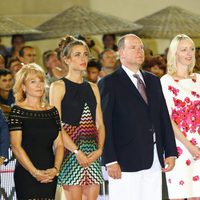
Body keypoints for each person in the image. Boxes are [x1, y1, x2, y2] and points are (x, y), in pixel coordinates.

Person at [98, 34, 177, 200]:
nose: (139, 51)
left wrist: (170, 151)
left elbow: (163, 117)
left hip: (154, 157)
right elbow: (104, 124)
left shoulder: (153, 80)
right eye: (133, 47)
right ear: (121, 53)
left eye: (141, 47)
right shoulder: (109, 83)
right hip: (124, 160)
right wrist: (110, 160)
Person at [50, 35, 105, 200]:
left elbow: (100, 124)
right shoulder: (58, 86)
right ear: (66, 60)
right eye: (77, 54)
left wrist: (100, 150)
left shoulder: (93, 88)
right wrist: (76, 151)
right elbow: (56, 125)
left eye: (85, 54)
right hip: (69, 152)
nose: (83, 58)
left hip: (92, 152)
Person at [8, 63, 64, 199]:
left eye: (41, 81)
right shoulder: (17, 111)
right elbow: (15, 146)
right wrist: (34, 172)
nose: (39, 85)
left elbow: (59, 144)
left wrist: (55, 169)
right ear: (23, 87)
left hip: (50, 173)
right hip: (27, 173)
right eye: (33, 82)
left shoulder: (52, 111)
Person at [161, 34, 200, 200]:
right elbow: (167, 119)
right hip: (179, 145)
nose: (189, 53)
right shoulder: (166, 81)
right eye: (184, 49)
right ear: (174, 53)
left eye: (191, 49)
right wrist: (189, 146)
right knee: (179, 194)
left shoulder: (198, 79)